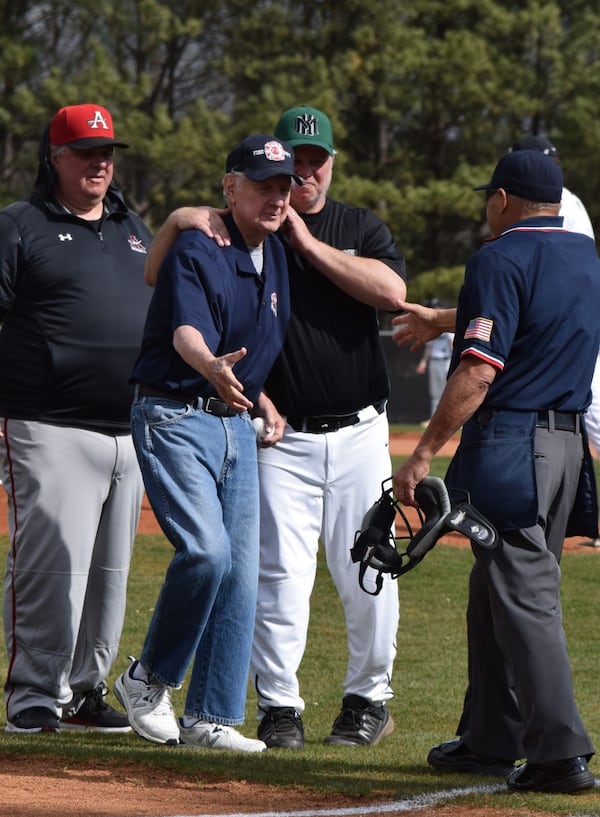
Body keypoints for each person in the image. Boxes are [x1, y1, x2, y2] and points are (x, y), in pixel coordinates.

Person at [143, 106, 407, 749]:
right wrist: (181, 217)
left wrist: (308, 243)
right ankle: (279, 706)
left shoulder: (353, 226)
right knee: (276, 578)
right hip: (276, 435)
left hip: (358, 431)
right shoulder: (236, 235)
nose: (303, 174)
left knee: (368, 567)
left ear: (330, 165)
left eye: (314, 162)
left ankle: (367, 700)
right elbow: (161, 276)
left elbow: (393, 292)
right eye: (293, 163)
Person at [393, 149, 599, 792]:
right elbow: (536, 322)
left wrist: (424, 450)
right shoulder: (587, 257)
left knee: (525, 597)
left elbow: (480, 369)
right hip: (567, 450)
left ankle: (559, 755)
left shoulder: (498, 256)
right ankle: (489, 738)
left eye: (490, 196)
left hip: (513, 442)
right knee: (494, 595)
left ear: (503, 198)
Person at [114, 134, 298, 753]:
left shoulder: (276, 258)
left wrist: (260, 397)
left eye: (283, 187)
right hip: (173, 413)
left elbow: (253, 350)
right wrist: (210, 366)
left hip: (233, 425)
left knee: (241, 574)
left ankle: (210, 718)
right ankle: (147, 679)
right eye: (263, 185)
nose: (276, 197)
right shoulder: (199, 244)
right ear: (230, 187)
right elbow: (186, 332)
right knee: (207, 553)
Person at [0, 103, 153, 733]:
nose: (100, 161)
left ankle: (86, 689)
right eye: (85, 150)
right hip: (47, 421)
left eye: (107, 150)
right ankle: (33, 691)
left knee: (110, 573)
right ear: (53, 157)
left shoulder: (130, 224)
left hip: (129, 426)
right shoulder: (19, 224)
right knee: (50, 566)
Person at [415, 300, 453, 424]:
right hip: (434, 361)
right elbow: (429, 347)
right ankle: (434, 420)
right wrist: (423, 362)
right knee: (435, 393)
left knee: (449, 391)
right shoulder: (432, 327)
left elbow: (452, 345)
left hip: (446, 361)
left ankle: (452, 420)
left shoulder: (448, 327)